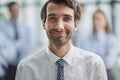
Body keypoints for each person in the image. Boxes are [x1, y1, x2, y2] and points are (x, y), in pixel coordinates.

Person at [16, 0, 108, 80]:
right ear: (43, 23)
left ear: (76, 24)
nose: (59, 26)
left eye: (66, 19)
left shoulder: (94, 65)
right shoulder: (26, 68)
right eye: (52, 18)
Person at [0, 2, 36, 80]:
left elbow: (30, 46)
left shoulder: (27, 27)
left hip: (25, 65)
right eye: (13, 10)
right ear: (9, 11)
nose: (15, 12)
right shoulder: (3, 27)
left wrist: (11, 44)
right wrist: (20, 42)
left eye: (17, 10)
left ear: (20, 10)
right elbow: (3, 49)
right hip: (9, 66)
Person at [79, 9, 118, 80]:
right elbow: (81, 61)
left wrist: (91, 57)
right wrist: (103, 55)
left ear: (105, 21)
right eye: (94, 19)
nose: (96, 22)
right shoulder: (85, 40)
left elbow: (109, 62)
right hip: (89, 75)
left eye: (99, 19)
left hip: (107, 74)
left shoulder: (111, 40)